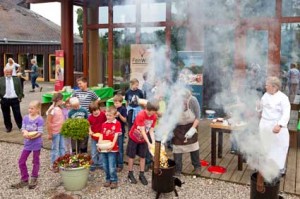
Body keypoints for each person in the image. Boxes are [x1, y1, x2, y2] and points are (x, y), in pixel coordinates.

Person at [257, 76, 290, 179]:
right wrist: (257, 106)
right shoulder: (265, 95)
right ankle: (265, 168)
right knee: (265, 146)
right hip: (265, 124)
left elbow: (286, 113)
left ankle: (279, 168)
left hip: (277, 125)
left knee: (279, 147)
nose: (265, 86)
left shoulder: (283, 98)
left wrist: (280, 125)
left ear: (274, 87)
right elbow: (260, 109)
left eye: (267, 85)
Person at [11, 100, 44, 189]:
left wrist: (32, 137)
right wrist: (25, 133)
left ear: (37, 109)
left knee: (35, 161)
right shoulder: (25, 118)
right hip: (27, 144)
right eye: (29, 108)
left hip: (36, 143)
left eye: (32, 108)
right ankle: (24, 179)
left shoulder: (40, 119)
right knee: (21, 161)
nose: (30, 110)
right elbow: (23, 128)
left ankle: (34, 177)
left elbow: (40, 132)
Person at [126, 100, 158, 185]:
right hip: (134, 137)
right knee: (131, 156)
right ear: (148, 109)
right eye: (153, 111)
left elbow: (151, 130)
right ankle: (130, 173)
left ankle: (141, 174)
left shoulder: (154, 116)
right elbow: (143, 131)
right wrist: (149, 143)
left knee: (143, 156)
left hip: (143, 139)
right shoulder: (141, 115)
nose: (154, 113)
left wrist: (153, 142)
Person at [172, 90, 201, 176]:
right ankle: (178, 170)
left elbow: (198, 117)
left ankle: (197, 167)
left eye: (185, 100)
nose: (183, 103)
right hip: (178, 127)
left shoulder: (193, 100)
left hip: (191, 125)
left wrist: (192, 129)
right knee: (177, 148)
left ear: (188, 98)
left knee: (193, 146)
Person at [72, 77, 99, 153]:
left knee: (85, 134)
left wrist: (92, 107)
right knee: (78, 133)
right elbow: (71, 99)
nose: (79, 85)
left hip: (87, 116)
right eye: (78, 84)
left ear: (85, 83)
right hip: (77, 116)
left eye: (80, 83)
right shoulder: (76, 92)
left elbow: (98, 99)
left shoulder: (91, 92)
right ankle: (76, 150)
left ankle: (83, 150)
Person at [97, 107, 121, 189]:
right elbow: (101, 135)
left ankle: (114, 180)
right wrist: (99, 145)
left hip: (112, 149)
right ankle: (108, 179)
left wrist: (112, 146)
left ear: (115, 115)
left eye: (110, 115)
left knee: (111, 166)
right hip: (104, 148)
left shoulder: (117, 123)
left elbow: (116, 136)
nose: (108, 117)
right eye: (107, 115)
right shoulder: (104, 124)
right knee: (105, 165)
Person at [0, 66, 24, 132]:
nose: (9, 73)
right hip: (4, 99)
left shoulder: (16, 79)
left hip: (15, 99)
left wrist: (20, 97)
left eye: (10, 72)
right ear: (4, 72)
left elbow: (20, 89)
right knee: (6, 114)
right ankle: (8, 127)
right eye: (7, 72)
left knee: (17, 114)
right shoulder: (1, 79)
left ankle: (21, 126)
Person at [46, 93, 65, 170]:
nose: (62, 101)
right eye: (62, 100)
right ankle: (53, 164)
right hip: (55, 132)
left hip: (61, 131)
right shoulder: (52, 109)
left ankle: (62, 162)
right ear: (58, 100)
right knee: (55, 148)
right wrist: (50, 133)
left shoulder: (59, 107)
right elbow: (48, 122)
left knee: (62, 147)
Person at [88, 101, 106, 171]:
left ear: (99, 109)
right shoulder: (90, 118)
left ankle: (101, 164)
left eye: (97, 110)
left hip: (102, 136)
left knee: (102, 150)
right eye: (93, 111)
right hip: (94, 137)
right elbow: (88, 125)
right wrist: (90, 131)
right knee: (94, 151)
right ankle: (93, 164)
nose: (96, 112)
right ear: (91, 112)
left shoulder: (103, 115)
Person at [113, 94, 127, 172]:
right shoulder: (113, 109)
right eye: (115, 103)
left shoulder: (123, 109)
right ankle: (114, 163)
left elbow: (125, 120)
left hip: (120, 132)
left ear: (121, 103)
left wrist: (119, 115)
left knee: (120, 148)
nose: (116, 104)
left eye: (117, 103)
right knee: (114, 147)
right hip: (113, 131)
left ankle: (120, 164)